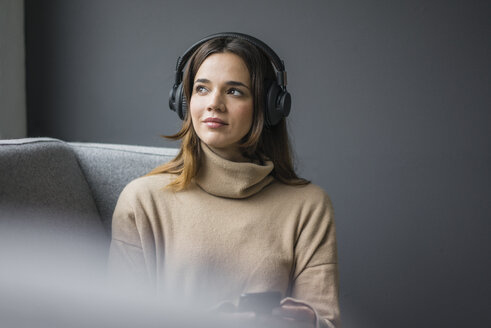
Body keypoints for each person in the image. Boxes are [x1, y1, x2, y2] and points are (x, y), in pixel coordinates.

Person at [108, 32, 340, 328]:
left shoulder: (309, 206)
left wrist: (310, 321)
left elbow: (328, 322)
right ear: (183, 100)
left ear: (269, 106)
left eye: (234, 91)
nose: (214, 103)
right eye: (201, 89)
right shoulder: (142, 200)